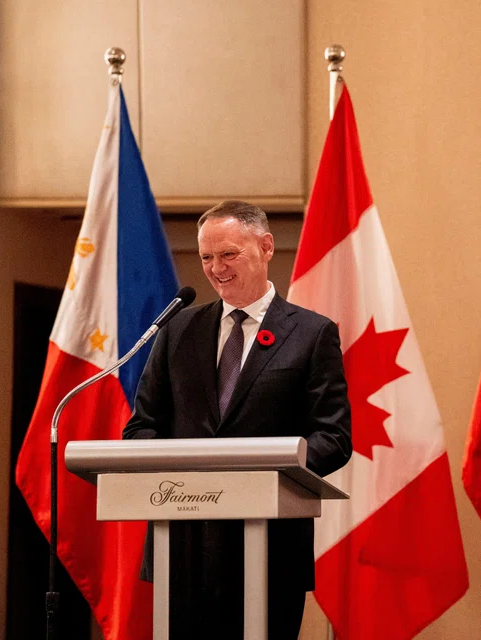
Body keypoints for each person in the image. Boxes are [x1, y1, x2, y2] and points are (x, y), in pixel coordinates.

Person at [123, 200, 352, 639]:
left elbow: (333, 437)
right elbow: (142, 427)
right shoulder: (177, 330)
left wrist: (270, 471)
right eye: (207, 257)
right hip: (183, 546)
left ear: (266, 246)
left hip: (269, 547)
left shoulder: (311, 333)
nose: (215, 268)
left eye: (228, 254)